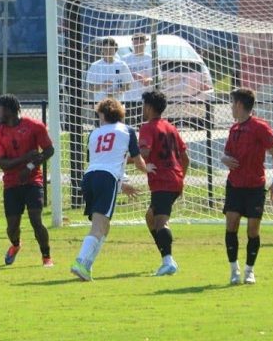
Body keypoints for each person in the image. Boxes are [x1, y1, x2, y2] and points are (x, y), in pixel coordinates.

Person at [71, 97, 149, 281]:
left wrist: (121, 185)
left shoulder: (94, 134)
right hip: (107, 179)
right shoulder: (127, 130)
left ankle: (87, 267)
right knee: (98, 226)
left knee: (104, 227)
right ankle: (80, 262)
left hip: (89, 177)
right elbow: (137, 162)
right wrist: (149, 170)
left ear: (103, 114)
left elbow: (102, 161)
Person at [221, 88, 273, 285]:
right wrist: (225, 159)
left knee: (253, 230)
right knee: (231, 224)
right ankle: (234, 270)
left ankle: (249, 270)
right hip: (235, 185)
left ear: (239, 105)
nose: (231, 107)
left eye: (232, 103)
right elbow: (226, 154)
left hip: (255, 186)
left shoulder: (260, 127)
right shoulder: (234, 129)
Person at [0, 94, 55, 267]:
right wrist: (25, 159)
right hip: (11, 184)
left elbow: (49, 150)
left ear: (10, 111)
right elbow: (2, 164)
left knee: (36, 219)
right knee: (12, 227)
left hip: (33, 181)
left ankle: (46, 257)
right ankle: (16, 245)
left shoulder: (35, 126)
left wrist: (30, 167)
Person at [138, 91, 189, 276]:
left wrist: (123, 159)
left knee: (160, 222)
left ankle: (168, 261)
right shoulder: (170, 127)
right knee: (150, 217)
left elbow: (143, 153)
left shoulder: (147, 127)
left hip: (162, 181)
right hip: (174, 179)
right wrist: (181, 179)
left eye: (144, 105)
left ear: (149, 107)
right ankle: (167, 259)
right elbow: (186, 158)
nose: (142, 109)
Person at [84, 37, 134, 102]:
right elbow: (90, 88)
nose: (108, 51)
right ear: (102, 50)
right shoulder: (94, 66)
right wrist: (102, 86)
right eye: (105, 49)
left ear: (115, 50)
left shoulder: (122, 65)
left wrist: (116, 91)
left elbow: (128, 85)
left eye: (111, 49)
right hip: (100, 104)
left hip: (118, 103)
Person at [120, 33, 154, 124]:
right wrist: (132, 75)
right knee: (129, 125)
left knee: (145, 125)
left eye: (141, 41)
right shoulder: (125, 59)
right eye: (136, 41)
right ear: (133, 43)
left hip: (145, 98)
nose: (138, 44)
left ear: (144, 43)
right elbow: (120, 77)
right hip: (129, 98)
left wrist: (147, 80)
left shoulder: (150, 58)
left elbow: (157, 77)